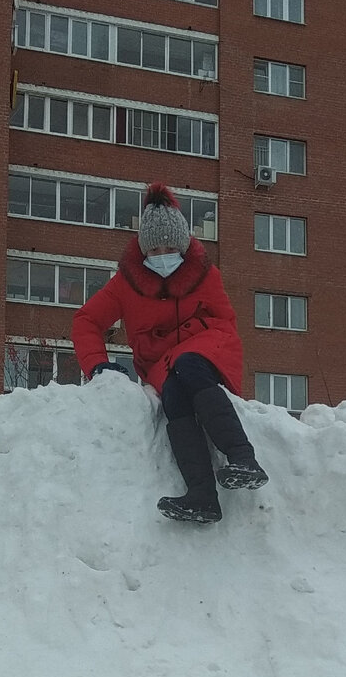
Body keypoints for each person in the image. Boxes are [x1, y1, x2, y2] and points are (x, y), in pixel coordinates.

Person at [72, 182, 268, 524]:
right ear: (143, 250)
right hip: (161, 363)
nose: (163, 254)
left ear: (183, 244)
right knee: (175, 396)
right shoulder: (126, 283)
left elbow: (225, 320)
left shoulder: (206, 275)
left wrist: (191, 337)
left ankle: (243, 457)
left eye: (169, 246)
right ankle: (203, 497)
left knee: (189, 365)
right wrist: (97, 365)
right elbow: (86, 320)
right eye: (155, 248)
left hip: (206, 346)